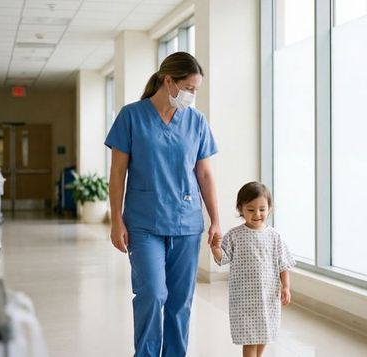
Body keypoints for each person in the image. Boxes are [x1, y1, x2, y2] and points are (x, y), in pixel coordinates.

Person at [105, 51, 221, 357]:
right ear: (169, 81)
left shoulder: (196, 121)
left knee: (180, 301)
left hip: (186, 222)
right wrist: (116, 220)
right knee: (152, 294)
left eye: (196, 89)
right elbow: (117, 174)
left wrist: (216, 220)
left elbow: (205, 174)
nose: (193, 95)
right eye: (190, 88)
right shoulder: (131, 116)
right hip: (144, 223)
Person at [210, 182, 296, 357]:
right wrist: (215, 248)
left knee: (265, 332)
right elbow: (222, 259)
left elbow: (283, 265)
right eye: (251, 209)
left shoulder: (274, 236)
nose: (257, 214)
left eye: (262, 209)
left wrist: (286, 287)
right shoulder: (234, 235)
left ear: (269, 209)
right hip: (244, 298)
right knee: (249, 337)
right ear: (240, 209)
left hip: (268, 296)